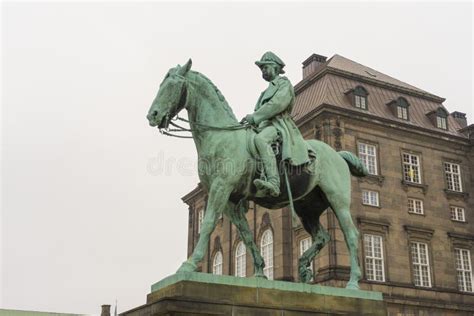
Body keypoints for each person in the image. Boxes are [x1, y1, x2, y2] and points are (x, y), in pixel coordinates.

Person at [241, 51, 314, 197]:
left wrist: (255, 117)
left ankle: (274, 183)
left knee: (261, 140)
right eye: (261, 69)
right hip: (263, 125)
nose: (263, 71)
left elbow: (277, 104)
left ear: (275, 67)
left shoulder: (284, 83)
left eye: (265, 67)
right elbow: (260, 111)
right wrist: (249, 122)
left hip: (278, 124)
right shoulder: (265, 92)